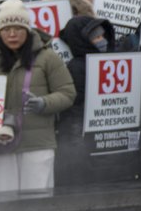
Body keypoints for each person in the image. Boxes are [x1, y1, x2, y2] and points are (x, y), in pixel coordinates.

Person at [0, 0, 76, 193]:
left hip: (37, 144)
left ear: (28, 29)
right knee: (0, 201)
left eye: (18, 28)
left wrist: (44, 103)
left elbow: (67, 92)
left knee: (36, 201)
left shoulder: (48, 57)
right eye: (6, 29)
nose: (12, 34)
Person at [55, 10, 130, 187]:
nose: (102, 41)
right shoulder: (76, 68)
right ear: (82, 41)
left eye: (102, 36)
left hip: (107, 139)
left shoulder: (112, 62)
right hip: (84, 143)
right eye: (96, 38)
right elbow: (75, 111)